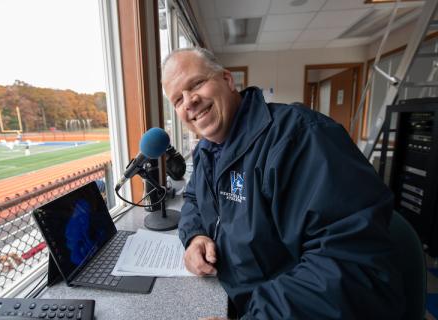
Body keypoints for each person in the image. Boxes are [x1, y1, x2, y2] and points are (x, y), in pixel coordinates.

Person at [161, 47, 405, 320]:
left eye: (196, 83)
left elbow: (349, 265)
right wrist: (195, 236)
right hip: (240, 300)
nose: (189, 102)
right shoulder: (208, 150)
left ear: (228, 80)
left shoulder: (301, 138)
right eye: (177, 100)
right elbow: (194, 198)